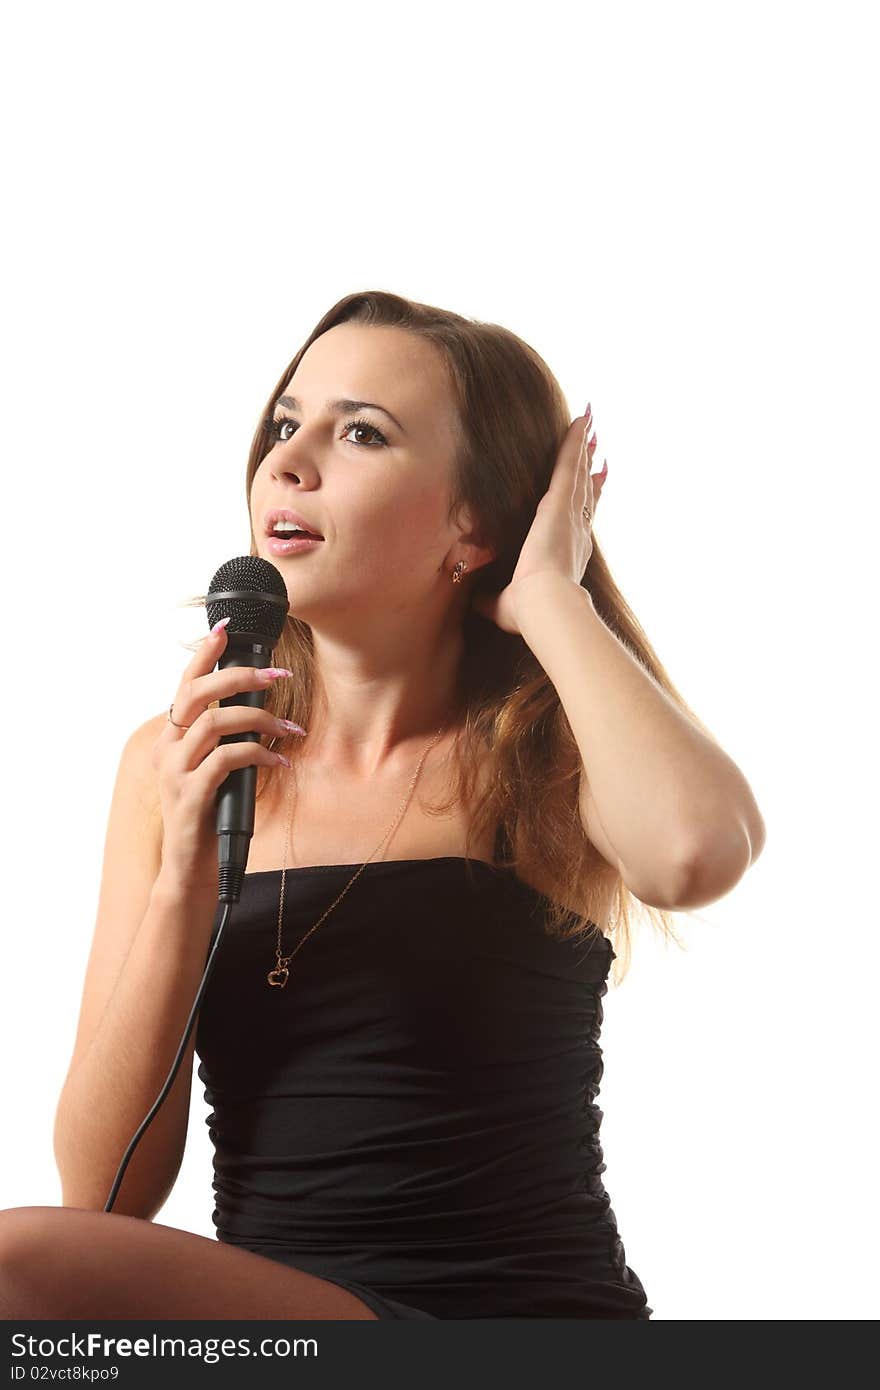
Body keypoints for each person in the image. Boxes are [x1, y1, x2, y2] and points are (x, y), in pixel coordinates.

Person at [0, 290, 765, 1319]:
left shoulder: (547, 747)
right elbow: (102, 1196)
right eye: (285, 424)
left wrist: (548, 592)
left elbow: (696, 852)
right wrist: (186, 864)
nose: (291, 459)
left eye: (360, 431)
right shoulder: (172, 764)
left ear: (472, 525)